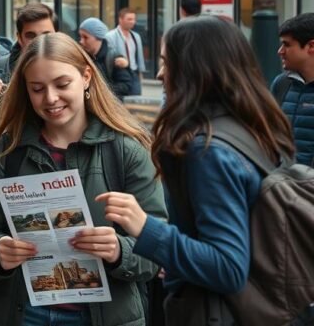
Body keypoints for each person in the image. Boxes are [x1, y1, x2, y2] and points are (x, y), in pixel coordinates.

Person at [100, 16, 294, 323]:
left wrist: (146, 227)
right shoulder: (253, 129)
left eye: (167, 63)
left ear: (195, 71)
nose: (161, 74)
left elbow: (228, 267)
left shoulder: (208, 152)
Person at [0, 33, 166, 326]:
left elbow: (158, 247)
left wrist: (118, 250)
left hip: (105, 315)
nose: (50, 98)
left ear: (86, 77)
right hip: (24, 313)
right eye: (37, 89)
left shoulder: (126, 150)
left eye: (62, 85)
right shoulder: (9, 152)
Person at [0, 3, 56, 146]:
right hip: (1, 163)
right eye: (31, 36)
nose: (39, 42)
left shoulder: (73, 73)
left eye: (46, 35)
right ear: (19, 38)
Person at [271, 13, 314, 165]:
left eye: (287, 45)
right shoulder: (282, 84)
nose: (280, 51)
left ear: (311, 46)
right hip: (285, 183)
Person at [78, 17, 134, 100]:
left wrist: (101, 91)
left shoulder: (113, 57)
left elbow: (126, 86)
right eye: (80, 37)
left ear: (98, 38)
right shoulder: (80, 56)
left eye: (85, 37)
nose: (81, 41)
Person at [105, 8, 146, 96]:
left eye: (134, 19)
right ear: (120, 19)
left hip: (134, 72)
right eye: (129, 19)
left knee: (136, 100)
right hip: (120, 73)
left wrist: (140, 74)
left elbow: (139, 56)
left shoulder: (136, 36)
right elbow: (110, 56)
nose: (132, 22)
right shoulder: (110, 36)